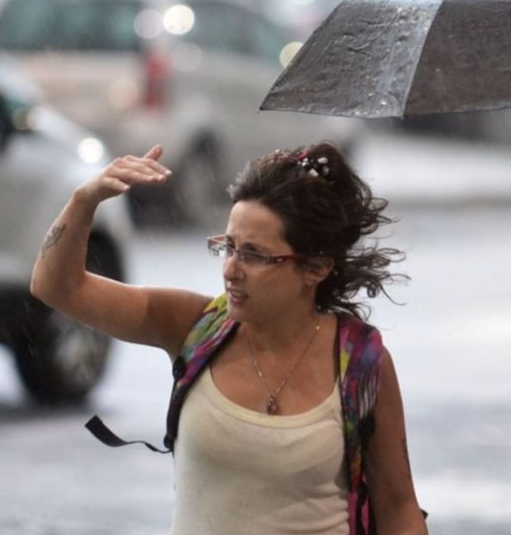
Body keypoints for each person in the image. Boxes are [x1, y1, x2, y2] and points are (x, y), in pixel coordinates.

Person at [31, 141, 427, 535]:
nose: (231, 270)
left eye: (254, 255)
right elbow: (57, 287)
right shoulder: (193, 326)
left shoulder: (359, 360)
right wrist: (85, 199)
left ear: (316, 268)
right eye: (228, 247)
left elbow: (398, 506)